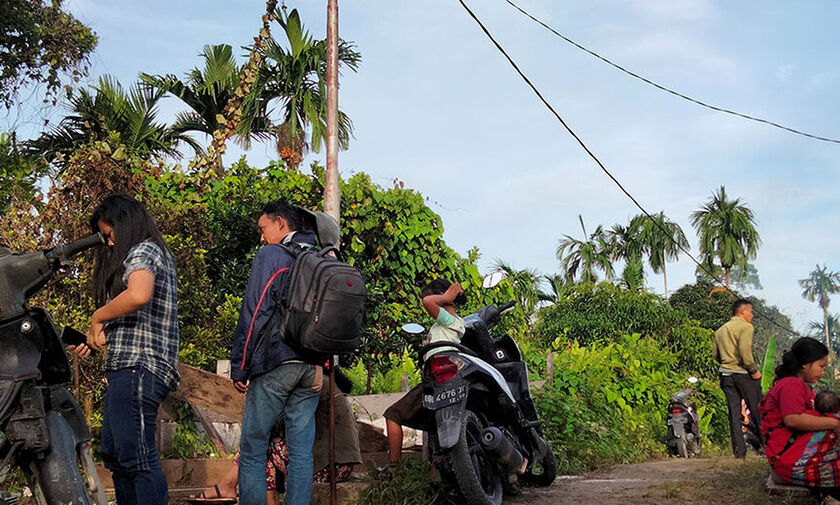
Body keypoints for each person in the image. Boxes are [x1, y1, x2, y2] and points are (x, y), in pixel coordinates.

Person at [70, 194, 179, 505]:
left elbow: (139, 294)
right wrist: (95, 338)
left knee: (137, 457)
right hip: (127, 367)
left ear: (125, 224)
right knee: (118, 457)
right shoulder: (144, 254)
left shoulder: (145, 249)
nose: (108, 243)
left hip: (140, 368)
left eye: (109, 233)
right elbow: (133, 315)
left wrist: (98, 316)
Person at [230, 200, 323, 505]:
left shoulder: (272, 255)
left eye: (263, 228)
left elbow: (255, 312)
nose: (261, 237)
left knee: (254, 445)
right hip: (314, 369)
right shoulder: (322, 258)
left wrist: (240, 365)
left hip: (277, 363)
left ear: (281, 224)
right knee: (300, 452)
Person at [188, 369, 362, 505]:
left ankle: (228, 486)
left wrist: (263, 397)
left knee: (258, 446)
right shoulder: (321, 380)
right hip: (337, 463)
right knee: (263, 447)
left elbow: (273, 424)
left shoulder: (312, 384)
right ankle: (228, 486)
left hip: (330, 466)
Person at [383, 278, 465, 465]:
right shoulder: (452, 323)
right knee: (435, 427)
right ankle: (435, 474)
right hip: (446, 379)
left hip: (435, 380)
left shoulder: (447, 319)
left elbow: (428, 302)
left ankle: (393, 467)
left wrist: (446, 296)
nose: (428, 308)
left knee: (392, 415)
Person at [760, 337, 840, 492]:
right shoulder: (791, 385)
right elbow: (793, 419)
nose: (822, 372)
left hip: (791, 458)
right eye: (821, 366)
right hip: (789, 462)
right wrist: (834, 424)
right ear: (805, 364)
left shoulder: (800, 386)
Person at [712, 298, 763, 458]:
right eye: (750, 312)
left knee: (734, 414)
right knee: (756, 410)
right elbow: (745, 353)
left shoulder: (720, 330)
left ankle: (739, 453)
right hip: (743, 374)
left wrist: (727, 364)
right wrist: (753, 370)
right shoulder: (746, 327)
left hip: (725, 375)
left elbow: (715, 355)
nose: (752, 316)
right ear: (742, 312)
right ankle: (768, 448)